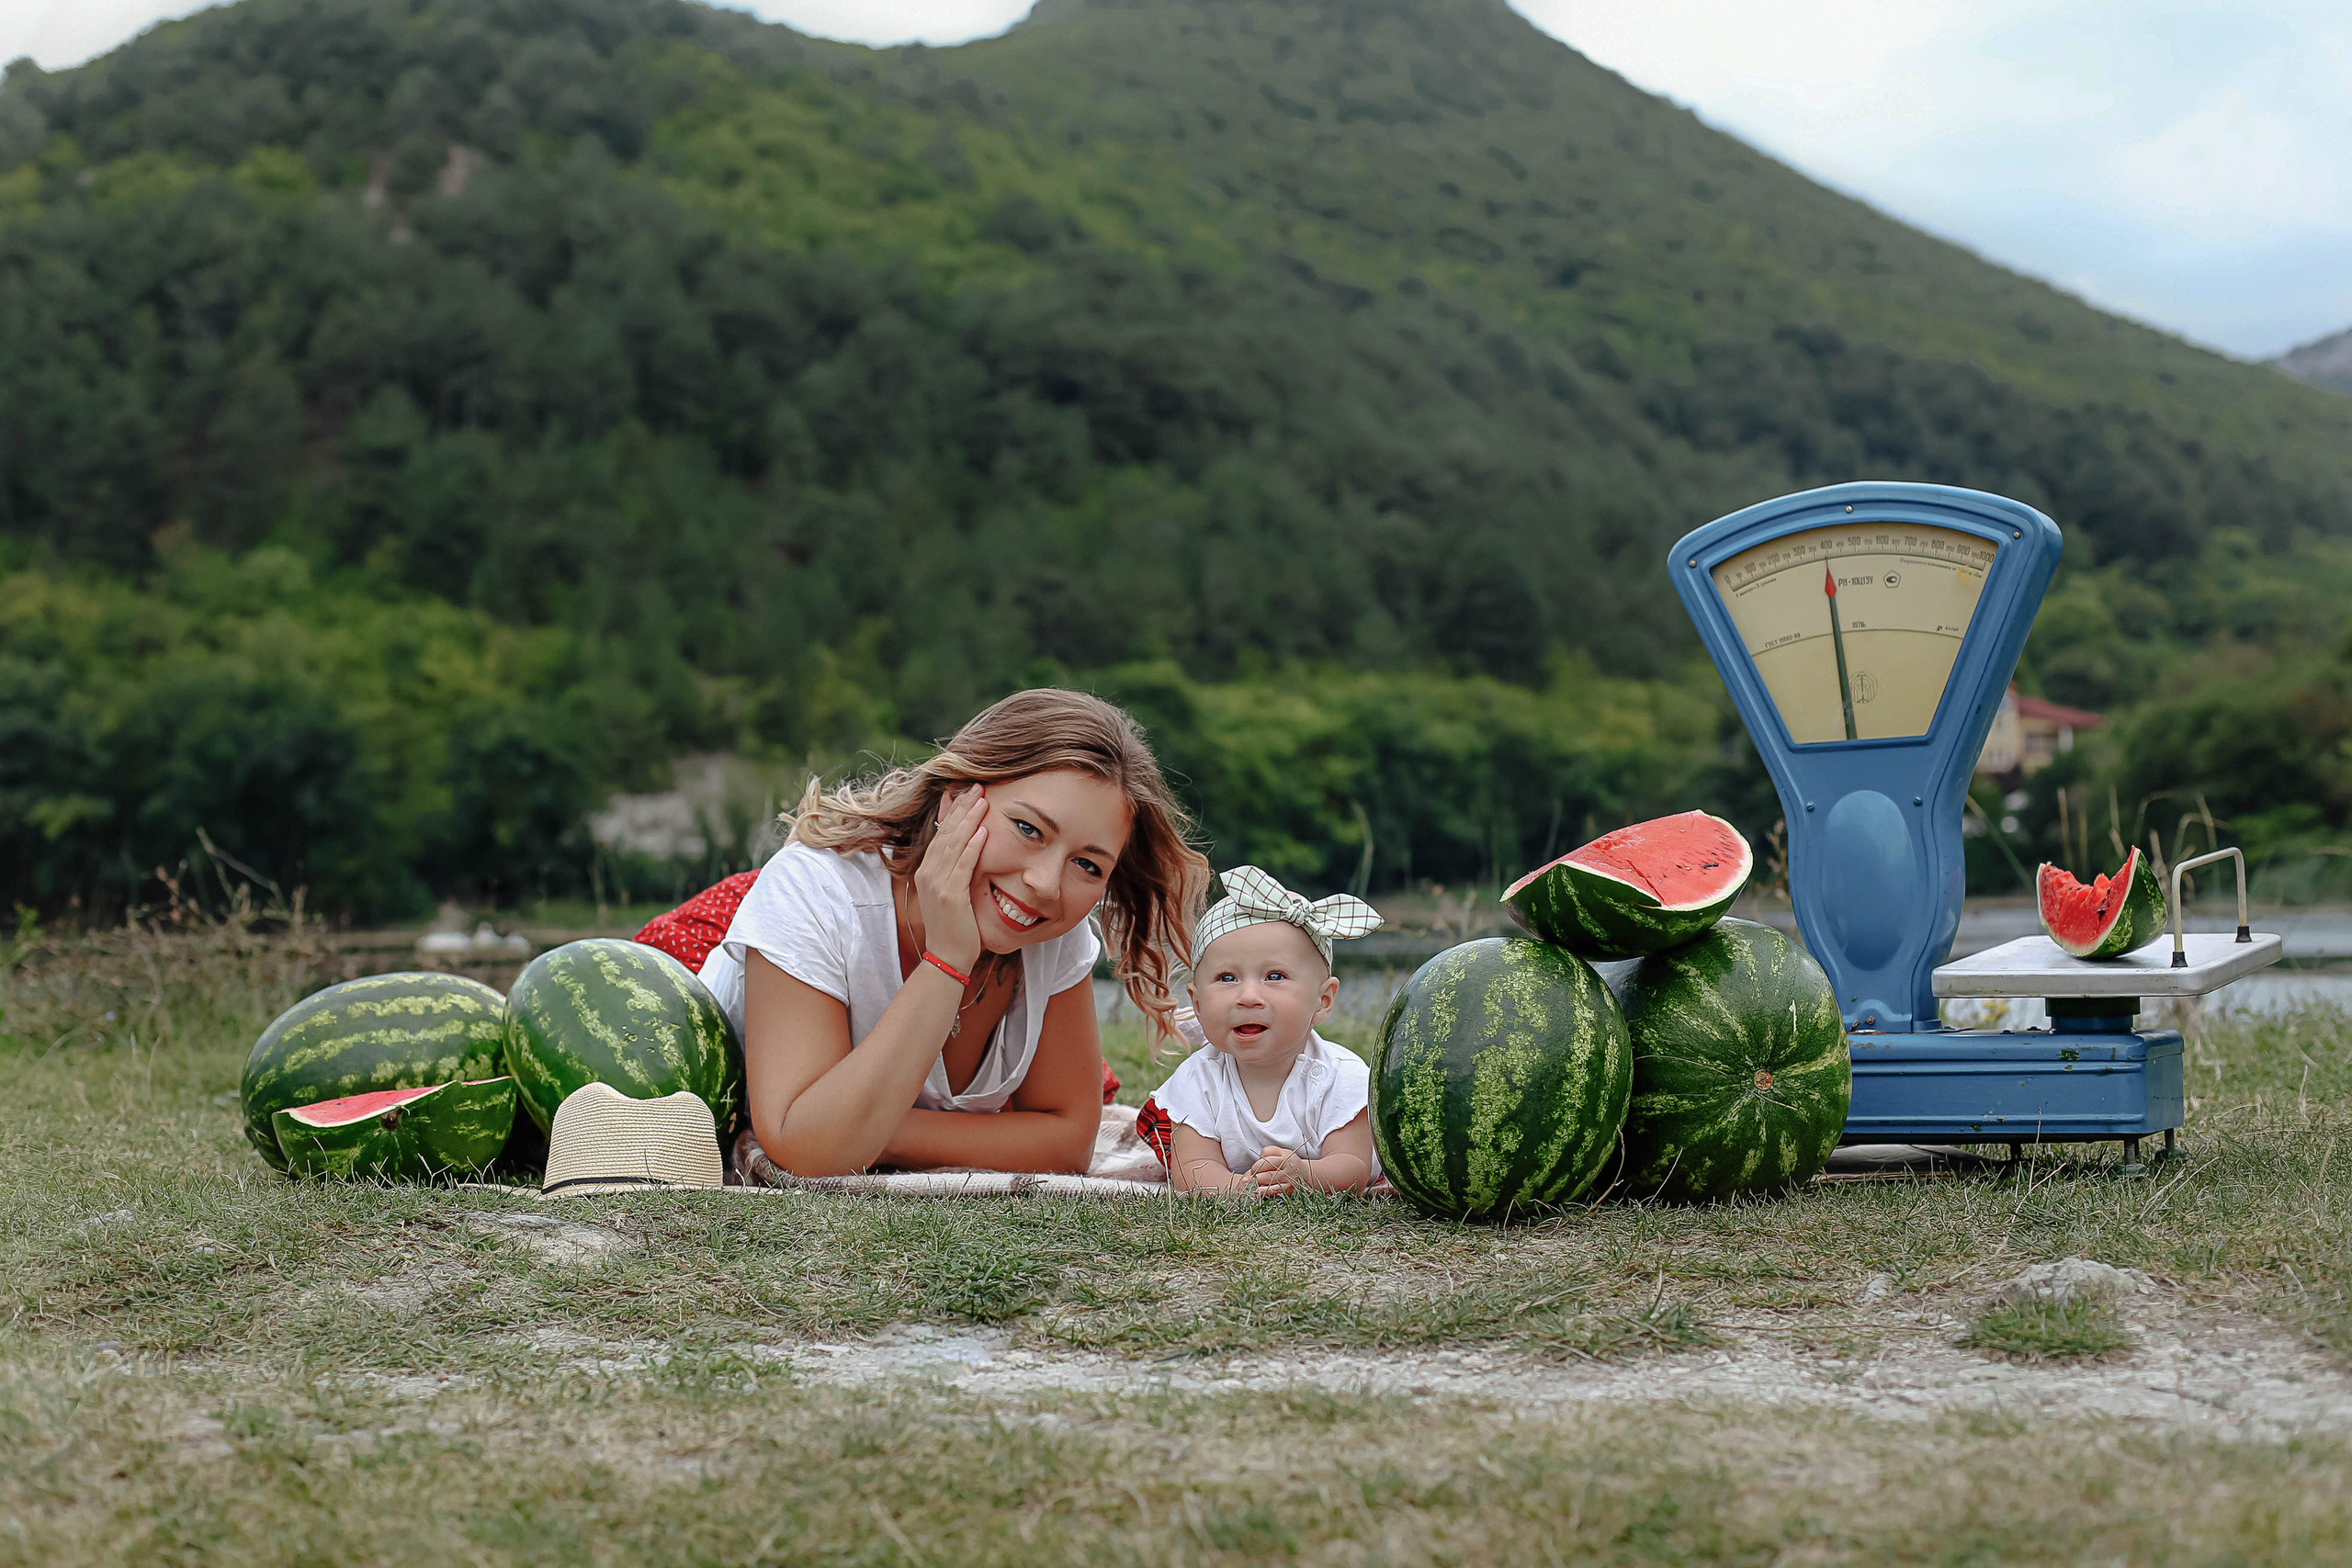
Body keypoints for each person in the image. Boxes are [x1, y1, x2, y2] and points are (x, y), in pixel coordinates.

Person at [695, 689, 1209, 1178]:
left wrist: (874, 1130)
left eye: (1088, 865)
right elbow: (806, 1147)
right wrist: (947, 961)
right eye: (1028, 829)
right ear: (955, 799)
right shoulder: (814, 890)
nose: (1045, 883)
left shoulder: (1048, 929)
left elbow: (1070, 1142)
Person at [1135, 866, 1383, 1196]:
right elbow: (1192, 1170)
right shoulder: (1199, 1079)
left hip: (1317, 1170)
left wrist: (1304, 1175)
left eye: (1275, 976)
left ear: (1322, 1001)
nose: (1248, 996)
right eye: (1227, 978)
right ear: (1197, 1002)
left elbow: (1352, 1165)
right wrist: (1240, 1187)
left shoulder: (1340, 1077)